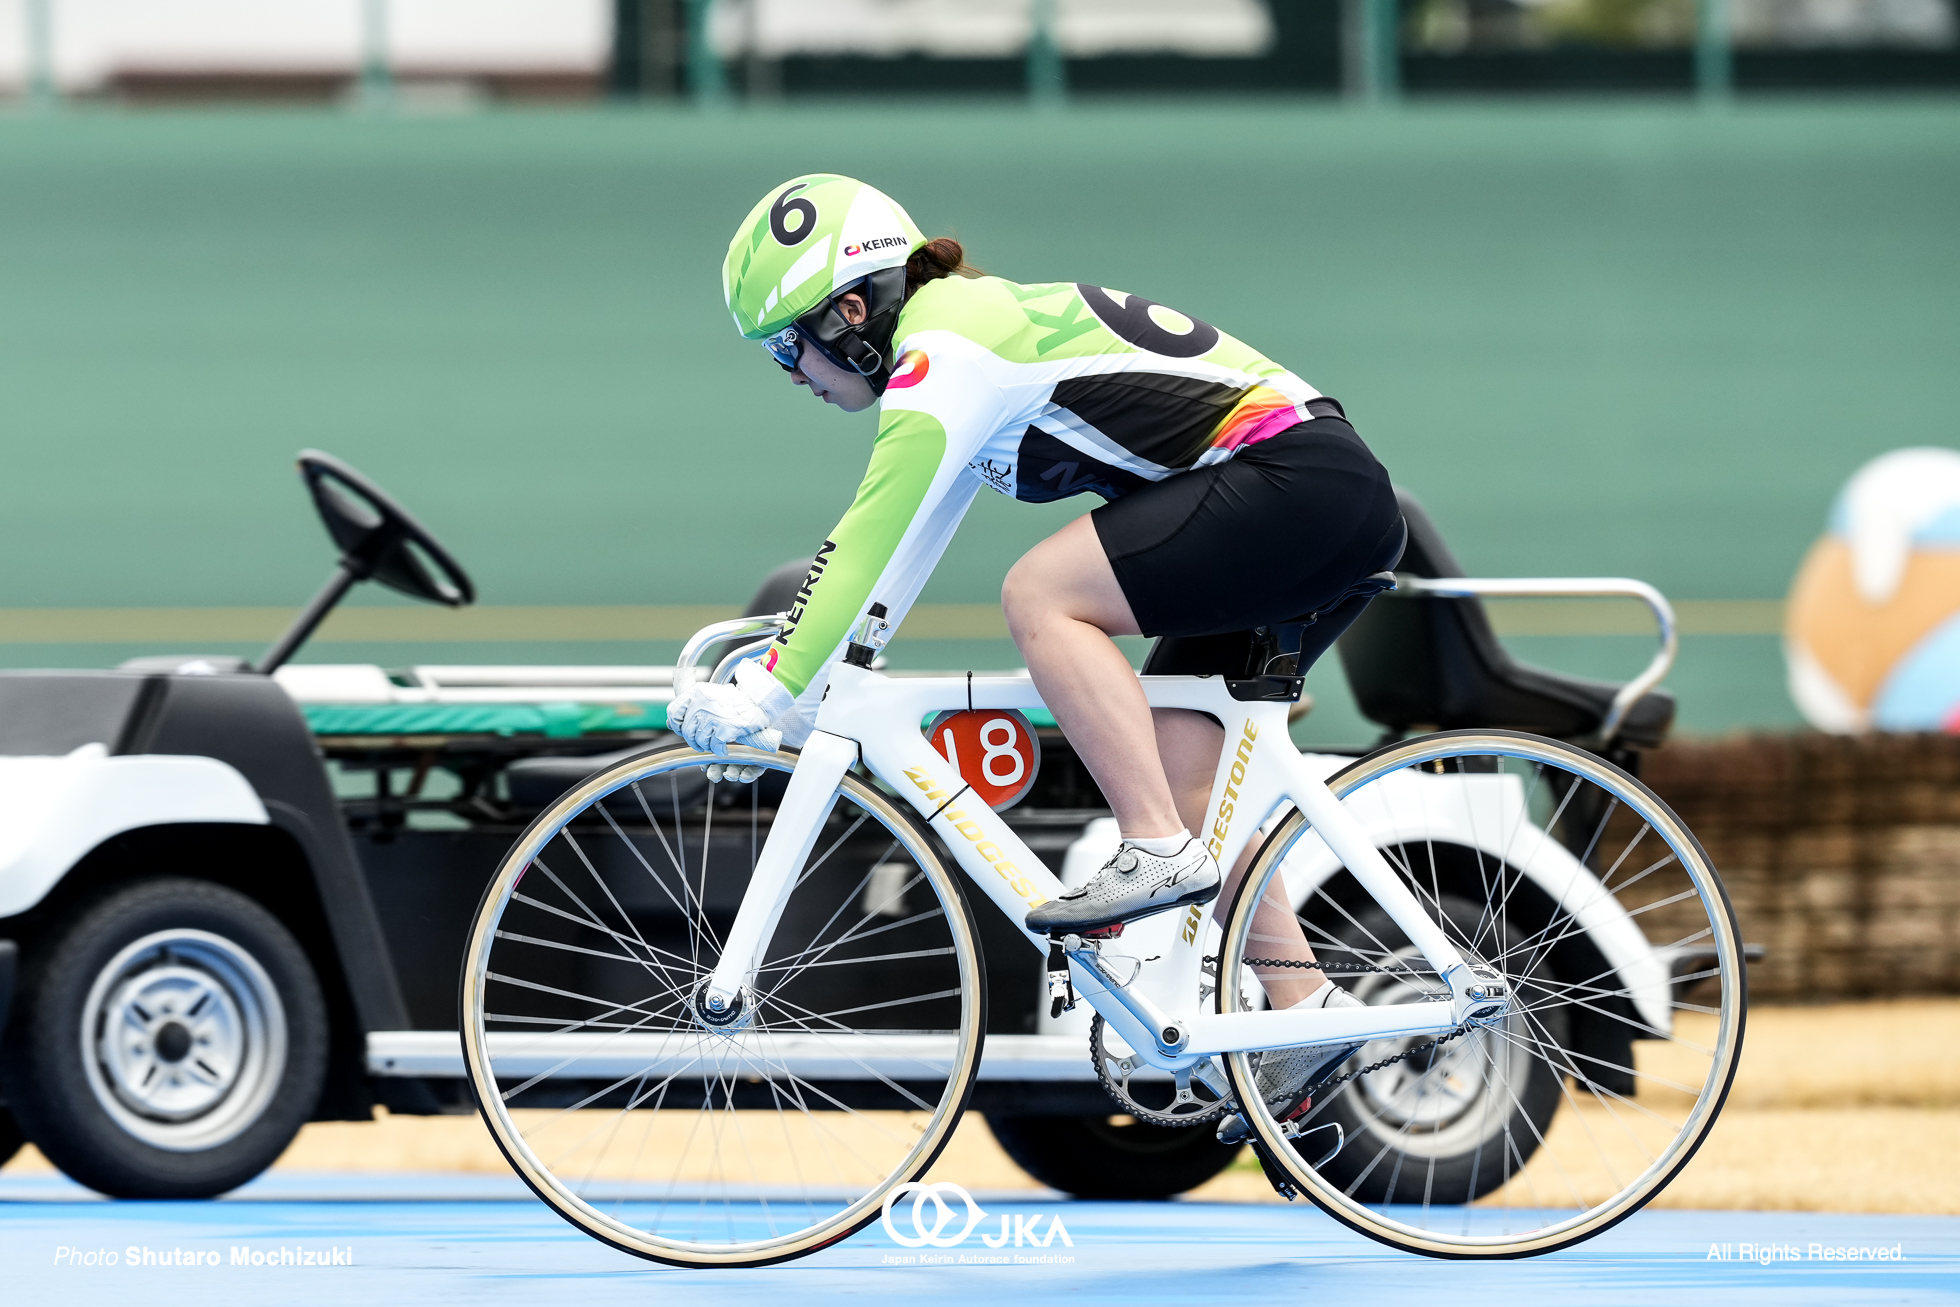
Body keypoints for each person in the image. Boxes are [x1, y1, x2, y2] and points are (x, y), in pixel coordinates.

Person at [670, 175, 1405, 1130]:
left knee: (1042, 594)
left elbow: (871, 523)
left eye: (786, 346)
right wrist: (831, 660)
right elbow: (911, 536)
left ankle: (1152, 853)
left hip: (1295, 485)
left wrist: (775, 684)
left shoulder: (946, 346)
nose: (791, 373)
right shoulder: (960, 338)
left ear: (853, 311)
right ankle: (1309, 1013)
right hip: (1301, 492)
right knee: (1185, 790)